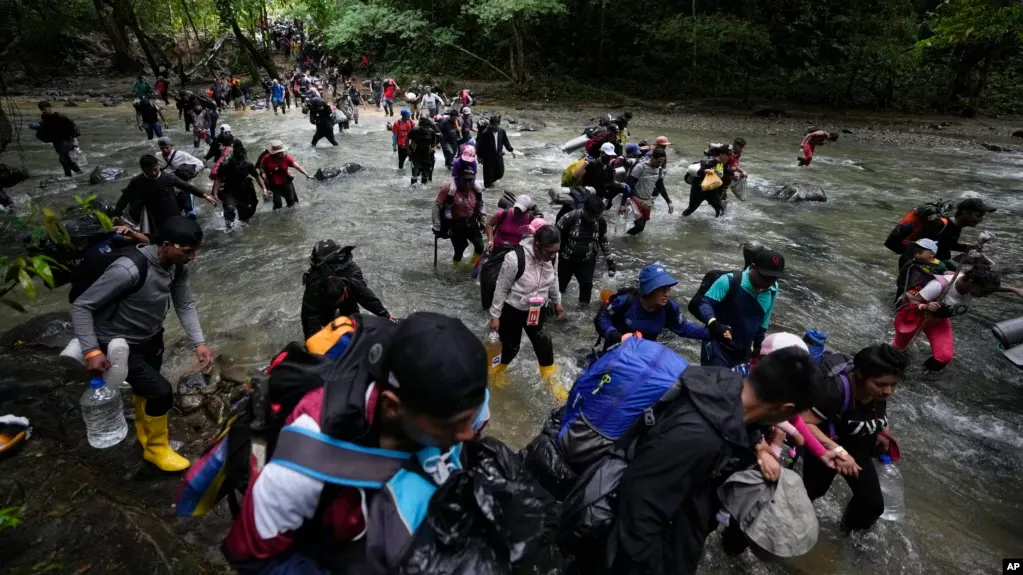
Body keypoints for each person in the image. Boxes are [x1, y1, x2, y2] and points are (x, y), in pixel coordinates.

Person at [223, 312, 490, 574]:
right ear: (391, 407)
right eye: (452, 426)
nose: (468, 434)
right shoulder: (302, 465)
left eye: (472, 418)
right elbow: (251, 557)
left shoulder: (462, 399)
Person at [608, 347, 818, 574]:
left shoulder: (725, 383)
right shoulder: (699, 437)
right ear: (785, 408)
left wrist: (758, 444)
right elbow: (639, 512)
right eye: (793, 415)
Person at [70, 216, 213, 472]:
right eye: (188, 251)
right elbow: (82, 305)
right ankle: (156, 450)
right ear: (167, 245)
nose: (193, 257)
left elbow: (184, 304)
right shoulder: (128, 269)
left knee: (145, 389)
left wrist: (198, 342)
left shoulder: (176, 266)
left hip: (150, 336)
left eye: (195, 251)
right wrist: (91, 350)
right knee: (161, 391)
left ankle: (146, 436)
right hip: (117, 342)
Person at [800, 344, 909, 530]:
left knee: (872, 505)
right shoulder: (835, 391)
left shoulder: (878, 394)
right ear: (860, 375)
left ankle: (847, 537)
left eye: (893, 385)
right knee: (809, 495)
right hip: (827, 450)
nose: (888, 391)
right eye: (881, 384)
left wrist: (882, 432)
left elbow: (877, 413)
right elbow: (803, 423)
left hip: (859, 449)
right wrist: (837, 450)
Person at [488, 222, 566, 400]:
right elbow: (501, 288)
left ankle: (553, 385)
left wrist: (557, 301)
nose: (553, 255)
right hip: (513, 310)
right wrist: (495, 316)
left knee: (545, 346)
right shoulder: (514, 258)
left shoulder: (552, 257)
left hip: (537, 309)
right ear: (537, 245)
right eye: (549, 252)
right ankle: (494, 372)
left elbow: (554, 278)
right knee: (511, 348)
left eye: (556, 251)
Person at [893, 266, 1015, 371]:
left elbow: (990, 287)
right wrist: (925, 306)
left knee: (944, 357)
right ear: (971, 282)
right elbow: (911, 300)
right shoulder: (939, 285)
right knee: (898, 350)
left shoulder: (974, 284)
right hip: (914, 315)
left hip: (938, 320)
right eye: (984, 292)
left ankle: (922, 376)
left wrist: (1014, 290)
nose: (986, 296)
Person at [696, 249, 784, 369]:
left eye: (774, 278)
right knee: (716, 383)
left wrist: (758, 344)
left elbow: (765, 318)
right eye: (765, 277)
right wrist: (714, 324)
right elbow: (704, 304)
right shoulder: (730, 281)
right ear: (753, 267)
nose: (769, 282)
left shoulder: (773, 289)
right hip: (718, 346)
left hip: (744, 350)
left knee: (739, 385)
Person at [596, 263, 708, 349]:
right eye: (661, 289)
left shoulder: (669, 307)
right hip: (616, 349)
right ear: (648, 290)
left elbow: (683, 328)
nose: (667, 294)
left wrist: (715, 333)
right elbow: (603, 317)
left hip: (644, 353)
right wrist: (615, 335)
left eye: (668, 288)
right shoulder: (625, 301)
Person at [300, 240, 394, 338]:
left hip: (347, 297)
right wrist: (312, 342)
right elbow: (310, 314)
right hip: (325, 301)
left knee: (354, 324)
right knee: (327, 327)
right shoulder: (315, 279)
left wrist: (385, 315)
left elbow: (364, 295)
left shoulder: (351, 269)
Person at [112, 155, 217, 234]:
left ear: (159, 166)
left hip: (173, 212)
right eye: (149, 171)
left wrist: (205, 195)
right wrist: (116, 214)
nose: (153, 173)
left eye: (155, 169)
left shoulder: (168, 177)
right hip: (153, 216)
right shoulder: (137, 182)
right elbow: (124, 198)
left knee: (177, 235)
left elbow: (187, 186)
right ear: (143, 170)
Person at [898, 197, 996, 270]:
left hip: (934, 264)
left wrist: (968, 247)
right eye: (978, 215)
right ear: (964, 212)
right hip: (917, 266)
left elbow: (947, 244)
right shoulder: (939, 224)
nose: (980, 220)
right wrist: (909, 270)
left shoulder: (956, 227)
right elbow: (914, 244)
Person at [557, 195, 613, 306]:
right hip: (566, 260)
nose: (594, 219)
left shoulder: (600, 222)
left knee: (586, 288)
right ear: (585, 210)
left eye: (597, 215)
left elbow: (603, 239)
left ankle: (582, 312)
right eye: (592, 216)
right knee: (560, 287)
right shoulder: (569, 219)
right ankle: (558, 307)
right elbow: (555, 241)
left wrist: (609, 257)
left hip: (586, 260)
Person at [432, 171, 485, 265]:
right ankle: (456, 266)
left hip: (471, 221)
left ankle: (472, 266)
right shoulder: (448, 190)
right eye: (465, 180)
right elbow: (436, 207)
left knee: (480, 246)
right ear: (458, 179)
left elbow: (480, 206)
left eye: (470, 180)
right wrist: (437, 224)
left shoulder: (475, 190)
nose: (467, 183)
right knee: (460, 248)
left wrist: (482, 221)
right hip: (455, 224)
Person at [213, 141, 268, 228]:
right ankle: (229, 231)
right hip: (229, 190)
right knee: (229, 210)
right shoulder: (225, 164)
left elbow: (257, 176)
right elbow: (218, 179)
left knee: (245, 216)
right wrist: (215, 194)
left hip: (244, 191)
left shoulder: (248, 163)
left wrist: (264, 189)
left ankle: (243, 232)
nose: (240, 160)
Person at [619, 148, 673, 235]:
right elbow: (629, 185)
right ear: (652, 158)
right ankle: (624, 239)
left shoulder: (659, 169)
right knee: (639, 227)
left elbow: (660, 186)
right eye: (659, 161)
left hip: (646, 201)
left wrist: (668, 201)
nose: (660, 164)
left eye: (662, 162)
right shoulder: (640, 167)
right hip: (634, 199)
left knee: (641, 228)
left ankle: (630, 241)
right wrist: (622, 204)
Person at [157, 138, 207, 218]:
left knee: (190, 213)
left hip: (186, 187)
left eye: (167, 147)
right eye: (162, 148)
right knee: (175, 213)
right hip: (171, 189)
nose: (165, 150)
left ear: (172, 146)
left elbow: (200, 163)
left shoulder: (181, 155)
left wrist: (193, 174)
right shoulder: (158, 156)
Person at [33, 101, 82, 178]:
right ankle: (68, 176)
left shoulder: (60, 117)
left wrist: (75, 139)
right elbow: (44, 132)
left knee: (64, 158)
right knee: (63, 160)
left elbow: (72, 127)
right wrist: (37, 128)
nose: (44, 111)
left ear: (50, 107)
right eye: (42, 110)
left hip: (67, 140)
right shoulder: (43, 120)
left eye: (46, 109)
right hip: (57, 141)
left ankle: (80, 173)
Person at [259, 140, 311, 210]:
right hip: (273, 184)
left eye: (281, 151)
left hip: (286, 182)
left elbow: (297, 166)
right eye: (279, 152)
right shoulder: (266, 158)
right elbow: (261, 166)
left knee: (291, 203)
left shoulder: (286, 158)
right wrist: (263, 173)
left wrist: (306, 174)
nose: (281, 153)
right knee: (278, 204)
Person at [682, 144, 730, 218]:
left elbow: (724, 175)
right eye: (727, 155)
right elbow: (699, 172)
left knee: (720, 210)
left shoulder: (722, 164)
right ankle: (681, 220)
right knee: (691, 209)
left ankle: (718, 227)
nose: (729, 158)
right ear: (721, 155)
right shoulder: (709, 162)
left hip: (712, 191)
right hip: (699, 190)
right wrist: (705, 171)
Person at [894, 238, 947, 302]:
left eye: (920, 252)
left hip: (928, 290)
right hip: (913, 289)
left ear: (932, 254)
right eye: (915, 252)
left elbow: (943, 280)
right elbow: (902, 280)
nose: (916, 255)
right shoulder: (911, 264)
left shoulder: (939, 266)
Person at [572, 142, 619, 207]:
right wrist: (585, 163)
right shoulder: (591, 164)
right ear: (601, 153)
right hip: (586, 193)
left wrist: (621, 185)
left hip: (599, 195)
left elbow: (611, 182)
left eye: (611, 156)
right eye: (607, 155)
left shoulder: (609, 167)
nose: (609, 158)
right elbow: (575, 176)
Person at [477, 116, 515, 189]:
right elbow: (480, 146)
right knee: (488, 178)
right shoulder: (485, 133)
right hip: (488, 158)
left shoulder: (502, 131)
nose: (497, 126)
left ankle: (490, 182)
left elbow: (506, 142)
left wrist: (511, 150)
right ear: (491, 124)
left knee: (500, 173)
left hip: (498, 156)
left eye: (498, 124)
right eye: (495, 124)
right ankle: (487, 191)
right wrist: (479, 157)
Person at [407, 117, 438, 186]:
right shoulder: (414, 130)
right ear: (420, 126)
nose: (426, 129)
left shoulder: (431, 132)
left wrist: (433, 148)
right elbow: (407, 138)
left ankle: (423, 187)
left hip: (427, 155)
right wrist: (407, 149)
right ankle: (413, 188)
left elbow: (434, 141)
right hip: (416, 153)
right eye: (424, 127)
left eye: (427, 127)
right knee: (415, 172)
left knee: (425, 173)